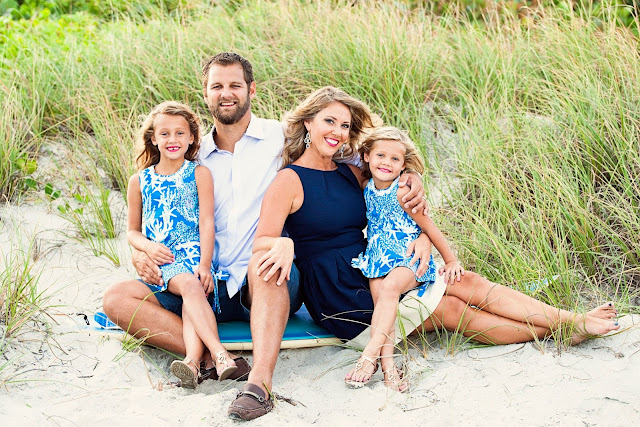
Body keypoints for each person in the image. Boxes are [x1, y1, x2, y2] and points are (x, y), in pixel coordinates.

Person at [103, 52, 427, 412]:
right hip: (198, 275)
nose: (226, 93)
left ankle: (259, 384)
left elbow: (365, 158)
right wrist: (140, 250)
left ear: (251, 90)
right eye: (217, 86)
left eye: (235, 85)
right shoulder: (191, 152)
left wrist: (411, 178)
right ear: (206, 93)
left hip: (266, 279)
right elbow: (152, 204)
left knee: (267, 261)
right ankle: (216, 356)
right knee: (117, 298)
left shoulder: (280, 137)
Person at [252, 90, 621, 397]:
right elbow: (262, 243)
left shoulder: (352, 171)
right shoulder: (288, 180)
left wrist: (423, 223)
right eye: (328, 121)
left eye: (345, 125)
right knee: (451, 310)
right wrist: (284, 244)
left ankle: (569, 323)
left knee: (463, 283)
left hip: (373, 268)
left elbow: (391, 182)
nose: (337, 131)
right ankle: (566, 327)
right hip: (338, 294)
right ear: (308, 124)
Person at [125, 101, 237, 388]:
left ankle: (191, 362)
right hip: (164, 260)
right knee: (188, 286)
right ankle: (219, 354)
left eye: (179, 133)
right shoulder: (139, 181)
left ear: (191, 138)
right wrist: (148, 249)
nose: (172, 140)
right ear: (153, 138)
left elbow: (207, 223)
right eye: (164, 134)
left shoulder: (199, 173)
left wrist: (205, 264)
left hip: (196, 257)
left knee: (192, 289)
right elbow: (132, 232)